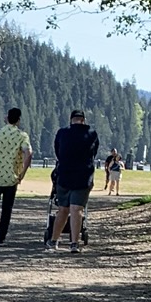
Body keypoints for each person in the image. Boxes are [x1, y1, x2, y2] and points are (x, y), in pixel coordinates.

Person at [0, 106, 33, 247]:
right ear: (18, 120)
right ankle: (0, 238)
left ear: (6, 118)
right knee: (6, 209)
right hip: (11, 178)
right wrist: (22, 173)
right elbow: (28, 154)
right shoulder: (22, 136)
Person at [51, 108, 100, 252]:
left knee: (62, 210)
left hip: (64, 175)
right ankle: (74, 244)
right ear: (83, 120)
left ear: (71, 120)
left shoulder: (62, 133)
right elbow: (93, 153)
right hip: (83, 176)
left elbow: (58, 152)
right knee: (77, 209)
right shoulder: (91, 134)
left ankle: (54, 241)